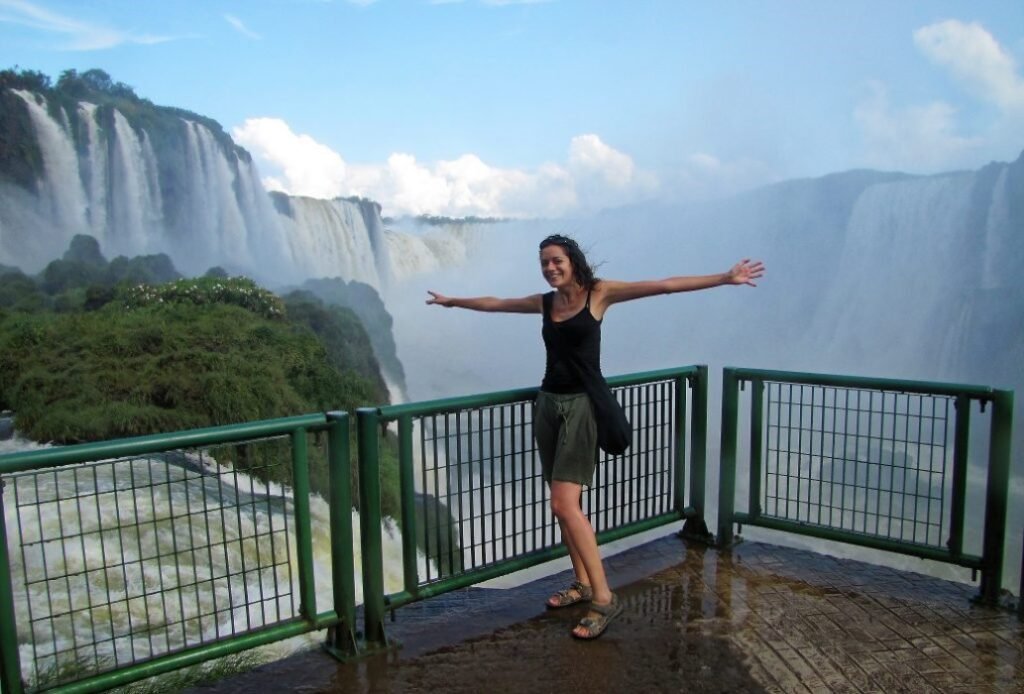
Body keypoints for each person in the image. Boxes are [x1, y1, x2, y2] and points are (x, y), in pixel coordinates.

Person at [426, 234, 764, 639]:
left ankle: (604, 598)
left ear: (573, 261)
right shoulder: (545, 302)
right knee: (562, 507)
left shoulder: (599, 294)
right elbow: (497, 304)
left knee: (565, 505)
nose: (550, 268)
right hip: (548, 405)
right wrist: (453, 301)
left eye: (556, 261)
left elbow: (664, 284)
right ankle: (583, 583)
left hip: (581, 408)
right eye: (544, 263)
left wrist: (724, 278)